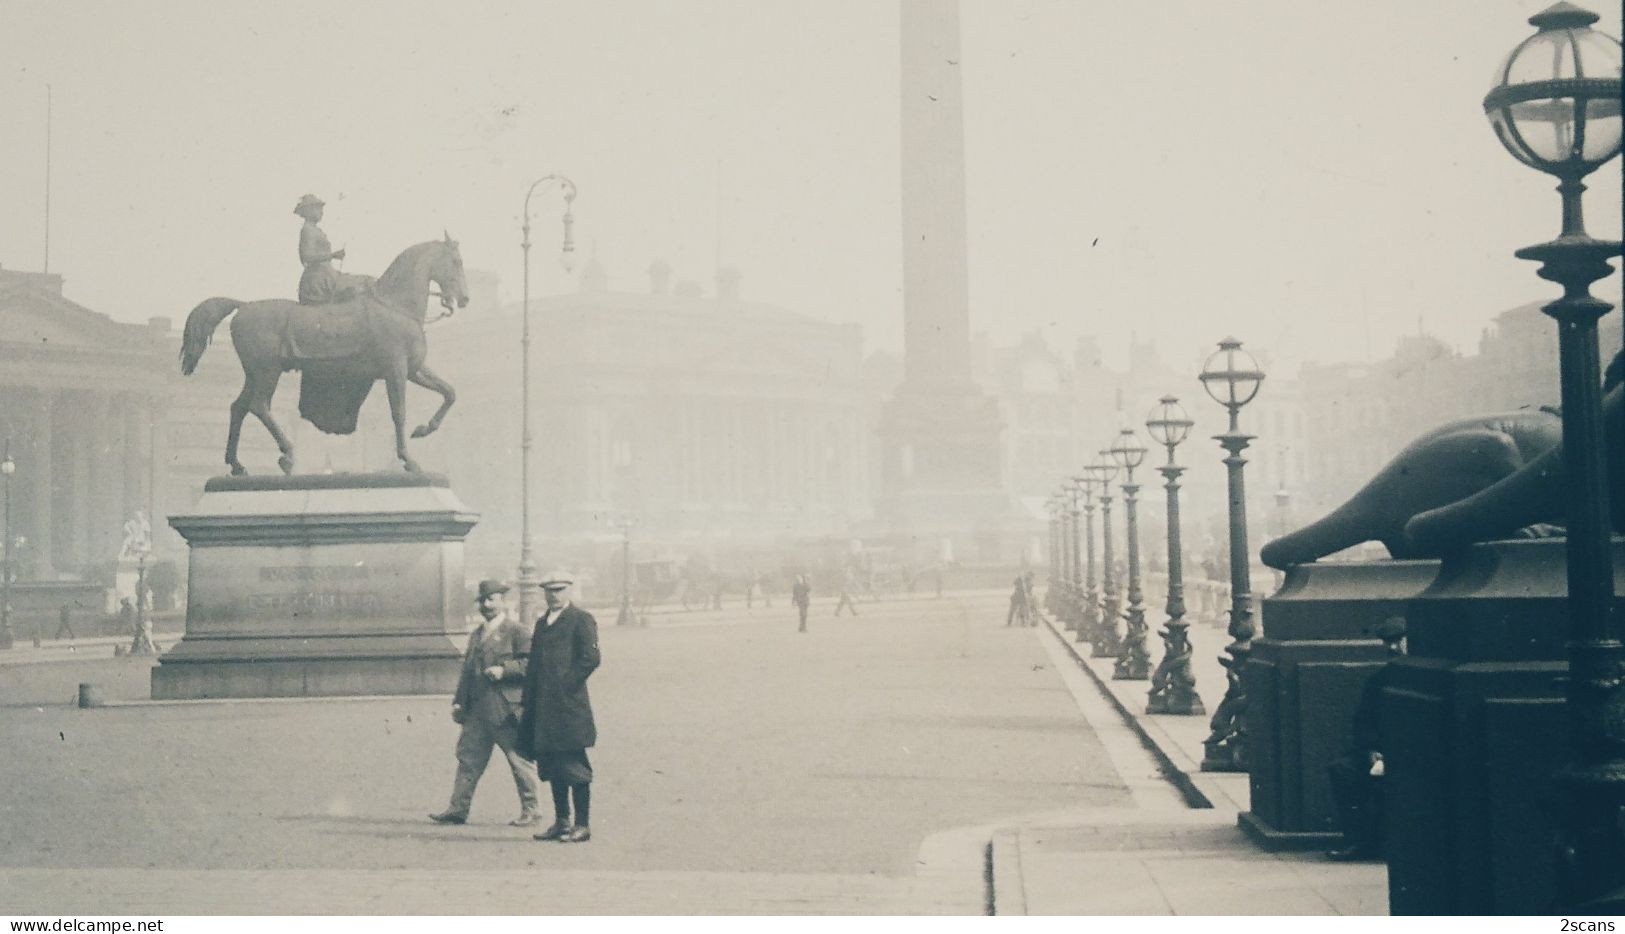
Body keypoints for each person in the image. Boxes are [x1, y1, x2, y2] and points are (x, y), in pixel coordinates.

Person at [429, 580, 543, 827]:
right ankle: (458, 809)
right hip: (477, 710)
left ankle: (532, 810)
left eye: (492, 599)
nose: (487, 604)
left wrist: (505, 670)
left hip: (506, 710)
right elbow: (467, 673)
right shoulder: (477, 634)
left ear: (504, 601)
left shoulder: (518, 632)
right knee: (468, 759)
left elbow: (532, 664)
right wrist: (459, 703)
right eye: (483, 600)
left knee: (518, 761)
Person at [518, 571, 601, 844]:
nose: (554, 595)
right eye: (549, 590)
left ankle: (582, 824)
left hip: (568, 708)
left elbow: (590, 658)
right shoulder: (542, 624)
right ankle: (562, 821)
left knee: (574, 765)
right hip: (543, 709)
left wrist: (566, 684)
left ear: (568, 591)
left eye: (559, 589)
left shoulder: (580, 619)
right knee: (552, 765)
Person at [1326, 616, 1406, 861]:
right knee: (1342, 770)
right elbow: (1363, 722)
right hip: (1383, 754)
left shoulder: (1430, 678)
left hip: (1416, 754)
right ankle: (1359, 841)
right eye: (1387, 642)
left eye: (1398, 641)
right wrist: (1371, 751)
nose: (1392, 648)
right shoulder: (1379, 681)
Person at [293, 194, 366, 305]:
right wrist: (333, 255)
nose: (321, 212)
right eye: (317, 209)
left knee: (363, 282)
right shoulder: (308, 230)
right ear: (308, 211)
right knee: (360, 285)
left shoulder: (315, 230)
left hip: (327, 275)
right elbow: (307, 257)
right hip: (318, 280)